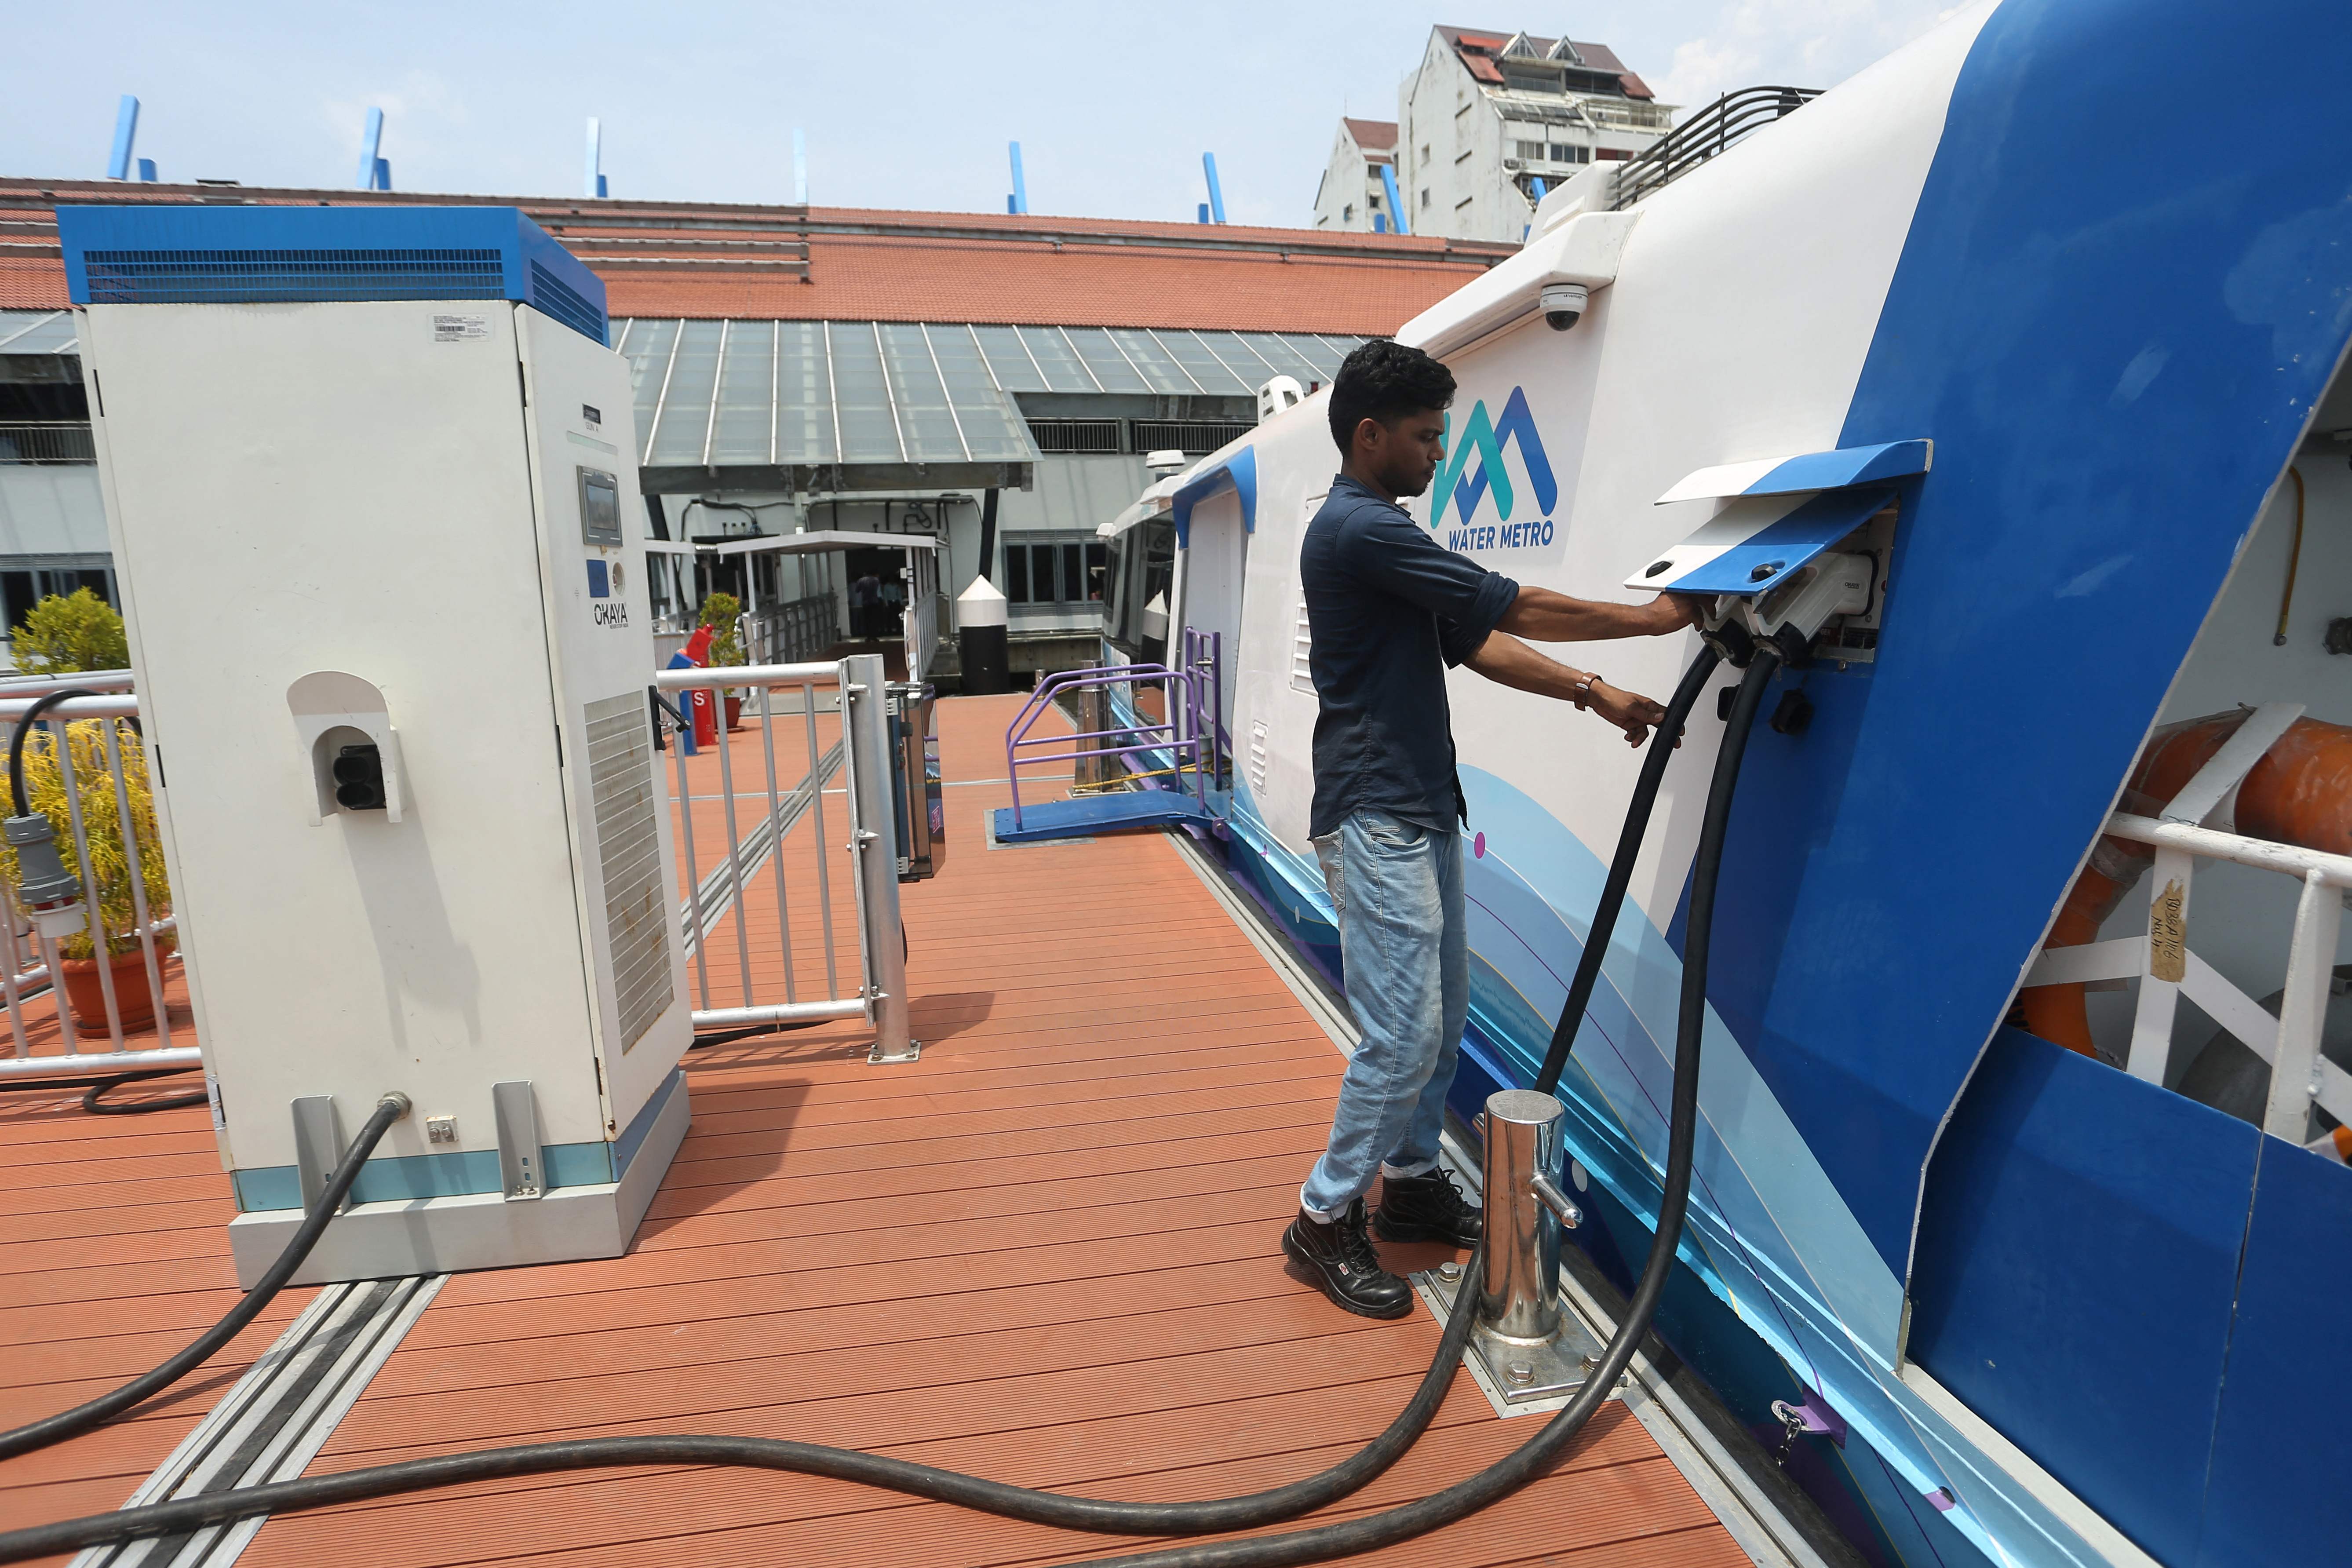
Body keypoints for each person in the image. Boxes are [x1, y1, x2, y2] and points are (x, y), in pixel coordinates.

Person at [1282, 339, 1703, 1319]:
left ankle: (1411, 1182)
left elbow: (1476, 641)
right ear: (1369, 435)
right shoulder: (1357, 529)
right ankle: (1322, 1216)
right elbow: (1513, 603)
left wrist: (1592, 692)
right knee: (1402, 1034)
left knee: (1441, 1018)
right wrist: (1651, 621)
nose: (1439, 453)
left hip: (1423, 805)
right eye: (1426, 437)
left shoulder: (1382, 533)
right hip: (1375, 812)